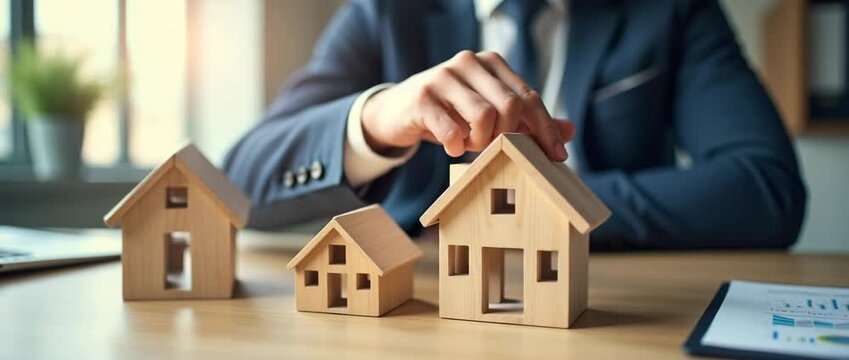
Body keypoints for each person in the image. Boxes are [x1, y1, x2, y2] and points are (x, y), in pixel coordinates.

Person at [224, 0, 807, 249]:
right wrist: (376, 119)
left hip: (613, 300)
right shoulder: (385, 11)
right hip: (426, 306)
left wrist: (533, 206)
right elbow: (239, 184)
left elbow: (765, 187)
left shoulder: (671, 8)